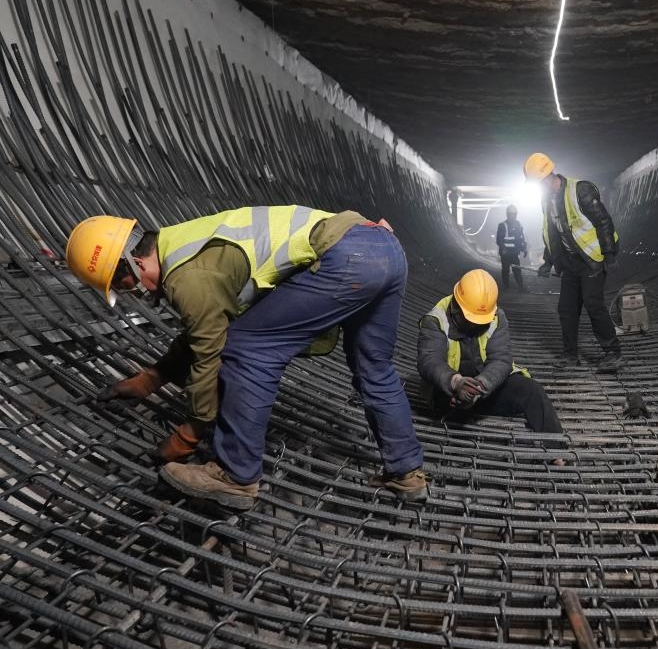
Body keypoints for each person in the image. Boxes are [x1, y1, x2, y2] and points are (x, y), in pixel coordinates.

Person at [65, 206, 428, 509]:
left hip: (348, 258)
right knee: (374, 367)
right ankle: (407, 473)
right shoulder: (183, 244)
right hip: (384, 249)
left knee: (248, 350)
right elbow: (205, 328)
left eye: (123, 286)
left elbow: (212, 350)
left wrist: (191, 431)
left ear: (134, 264)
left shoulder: (188, 276)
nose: (133, 294)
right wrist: (152, 379)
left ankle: (235, 475)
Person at [417, 269, 562, 435]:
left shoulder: (495, 316)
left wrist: (480, 386)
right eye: (470, 320)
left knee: (532, 390)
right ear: (456, 306)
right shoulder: (436, 320)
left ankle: (558, 454)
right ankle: (453, 430)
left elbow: (501, 359)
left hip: (486, 389)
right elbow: (429, 361)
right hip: (449, 392)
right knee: (450, 403)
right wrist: (456, 383)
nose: (475, 326)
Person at [523, 152, 622, 373]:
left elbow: (603, 222)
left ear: (549, 175)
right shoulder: (546, 199)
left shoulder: (580, 190)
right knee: (566, 309)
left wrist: (609, 255)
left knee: (593, 304)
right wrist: (549, 261)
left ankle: (613, 353)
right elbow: (553, 232)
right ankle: (570, 355)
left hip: (592, 260)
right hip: (570, 263)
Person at [495, 204, 527, 292]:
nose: (513, 216)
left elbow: (521, 238)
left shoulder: (518, 224)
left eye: (514, 214)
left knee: (517, 270)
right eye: (511, 214)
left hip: (514, 253)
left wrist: (524, 248)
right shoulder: (502, 225)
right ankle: (506, 287)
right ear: (507, 214)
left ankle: (521, 287)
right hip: (506, 254)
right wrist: (503, 249)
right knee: (505, 270)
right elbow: (499, 240)